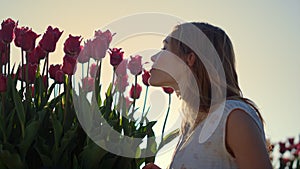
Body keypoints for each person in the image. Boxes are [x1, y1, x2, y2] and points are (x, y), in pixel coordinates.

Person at [143, 22, 272, 169]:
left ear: (189, 59)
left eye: (165, 48)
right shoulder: (191, 126)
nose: (154, 57)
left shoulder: (234, 117)